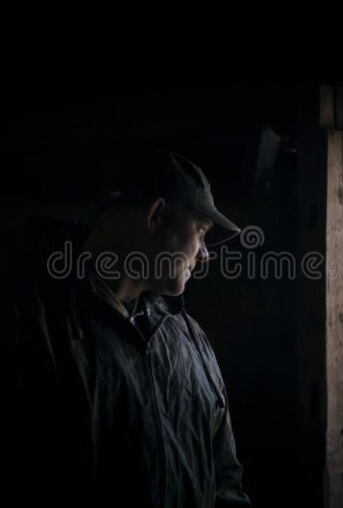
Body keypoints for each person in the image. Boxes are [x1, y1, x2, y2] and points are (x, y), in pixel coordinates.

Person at [13, 150, 252, 507]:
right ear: (156, 217)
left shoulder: (190, 339)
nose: (205, 254)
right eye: (200, 231)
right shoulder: (40, 323)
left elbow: (226, 479)